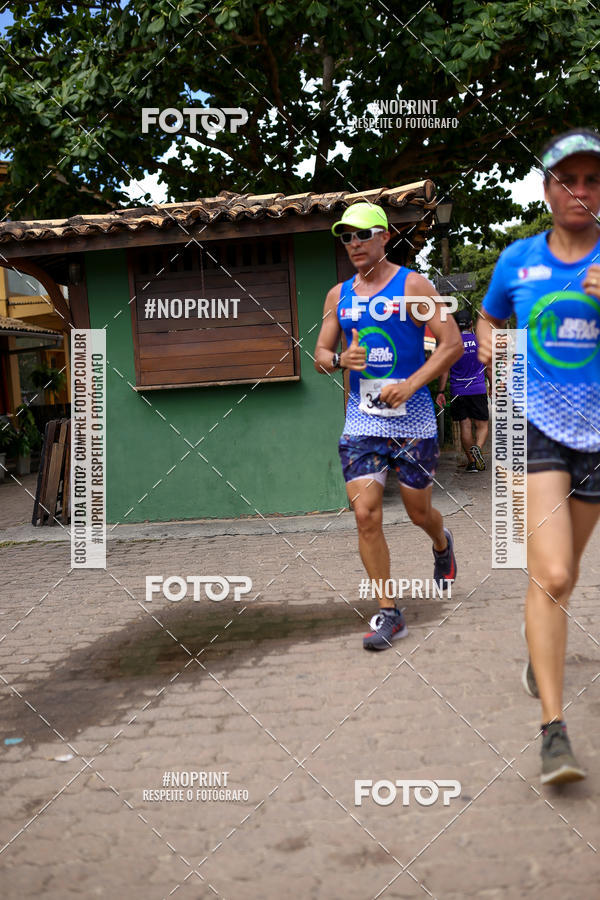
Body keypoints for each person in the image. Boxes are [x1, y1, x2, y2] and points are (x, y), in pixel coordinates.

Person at [476, 128, 600, 784]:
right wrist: (489, 343)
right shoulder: (516, 260)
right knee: (550, 573)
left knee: (565, 574)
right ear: (547, 187)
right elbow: (488, 317)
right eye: (567, 179)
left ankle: (537, 653)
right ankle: (553, 731)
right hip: (534, 423)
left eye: (592, 180)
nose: (580, 191)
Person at [314, 202, 463, 651]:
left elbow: (452, 343)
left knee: (419, 512)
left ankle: (441, 541)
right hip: (362, 420)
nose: (353, 243)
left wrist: (412, 383)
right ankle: (389, 612)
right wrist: (340, 359)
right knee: (366, 514)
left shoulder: (413, 284)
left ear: (384, 236)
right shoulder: (338, 295)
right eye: (346, 236)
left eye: (362, 234)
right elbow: (320, 355)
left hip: (413, 418)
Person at [436, 308, 490, 472]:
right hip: (478, 388)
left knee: (465, 427)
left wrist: (440, 391)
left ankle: (472, 462)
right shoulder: (480, 340)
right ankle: (478, 448)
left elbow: (444, 370)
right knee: (482, 426)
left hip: (458, 390)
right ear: (471, 323)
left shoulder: (452, 344)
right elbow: (489, 367)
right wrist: (494, 386)